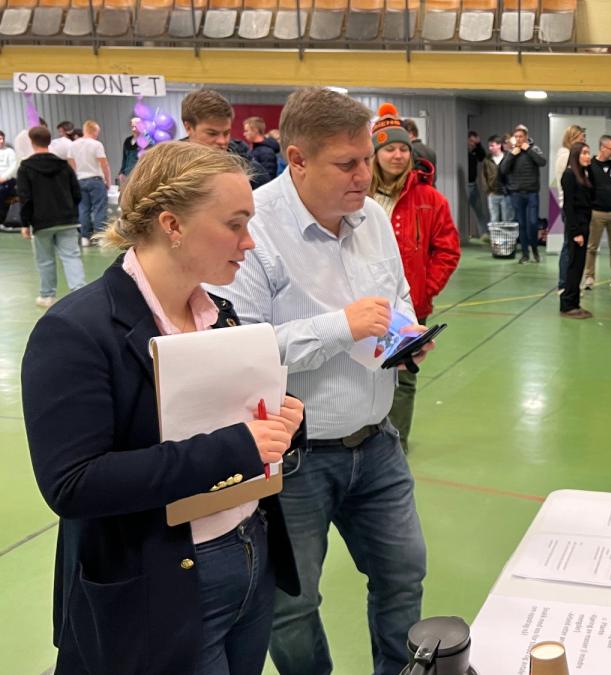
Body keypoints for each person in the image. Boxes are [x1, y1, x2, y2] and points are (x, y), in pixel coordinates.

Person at [21, 140, 304, 675]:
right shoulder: (76, 332)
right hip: (159, 583)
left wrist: (285, 419)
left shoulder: (219, 311)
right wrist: (235, 448)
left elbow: (230, 417)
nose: (249, 243)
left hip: (248, 555)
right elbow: (74, 484)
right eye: (235, 224)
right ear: (172, 224)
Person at [212, 87, 431, 675]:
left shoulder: (374, 218)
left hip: (377, 441)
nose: (365, 175)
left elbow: (397, 297)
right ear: (297, 159)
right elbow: (243, 352)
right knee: (292, 604)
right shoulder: (252, 230)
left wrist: (404, 340)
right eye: (348, 164)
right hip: (295, 460)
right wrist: (341, 327)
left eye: (367, 158)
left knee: (404, 574)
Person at [369, 104, 461, 451]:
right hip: (361, 302)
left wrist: (425, 288)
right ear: (375, 154)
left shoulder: (430, 199)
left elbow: (447, 250)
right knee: (361, 372)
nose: (397, 155)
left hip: (409, 307)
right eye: (389, 148)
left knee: (404, 375)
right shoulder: (357, 196)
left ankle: (395, 444)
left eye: (403, 148)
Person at [17, 126, 85, 307]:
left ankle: (47, 296)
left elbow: (25, 198)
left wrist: (25, 223)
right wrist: (71, 210)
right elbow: (76, 193)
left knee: (45, 260)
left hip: (41, 222)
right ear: (50, 141)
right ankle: (80, 294)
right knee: (72, 256)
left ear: (32, 142)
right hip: (67, 219)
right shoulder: (64, 165)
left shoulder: (25, 167)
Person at [499, 124, 547, 263]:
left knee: (532, 223)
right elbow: (503, 170)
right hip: (516, 193)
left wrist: (529, 150)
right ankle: (525, 254)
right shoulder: (511, 152)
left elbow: (542, 162)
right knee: (522, 224)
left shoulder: (534, 148)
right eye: (516, 137)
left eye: (521, 136)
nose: (519, 139)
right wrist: (511, 156)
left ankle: (535, 250)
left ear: (526, 137)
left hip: (532, 193)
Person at [584, 134, 611, 291]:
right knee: (592, 247)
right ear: (602, 148)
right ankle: (589, 277)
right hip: (596, 213)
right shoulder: (591, 165)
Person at [559, 142, 594, 319]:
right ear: (576, 155)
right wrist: (575, 232)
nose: (588, 156)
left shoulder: (584, 173)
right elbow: (569, 207)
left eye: (589, 153)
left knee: (579, 266)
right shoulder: (569, 175)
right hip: (576, 225)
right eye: (585, 153)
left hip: (585, 223)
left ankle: (575, 302)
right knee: (573, 266)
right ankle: (567, 304)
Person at [67, 120, 111, 247]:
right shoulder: (96, 144)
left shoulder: (73, 145)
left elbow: (71, 163)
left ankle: (85, 237)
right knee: (100, 208)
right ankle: (100, 237)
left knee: (83, 209)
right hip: (96, 180)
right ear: (95, 131)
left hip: (80, 180)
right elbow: (104, 164)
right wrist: (107, 181)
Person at [554, 124, 586, 291]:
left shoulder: (573, 156)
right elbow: (564, 183)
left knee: (572, 246)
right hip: (568, 205)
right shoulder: (565, 156)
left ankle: (571, 283)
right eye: (580, 138)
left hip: (574, 205)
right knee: (568, 245)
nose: (583, 142)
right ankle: (563, 283)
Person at [181, 89, 250, 161]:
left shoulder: (240, 152)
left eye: (226, 133)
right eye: (212, 134)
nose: (222, 141)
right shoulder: (172, 163)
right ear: (188, 128)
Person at [482, 134, 514, 224]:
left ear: (499, 145)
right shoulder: (487, 160)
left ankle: (507, 238)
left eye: (492, 145)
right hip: (492, 193)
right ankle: (495, 238)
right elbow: (484, 175)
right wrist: (487, 190)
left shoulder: (508, 157)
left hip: (506, 194)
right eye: (489, 146)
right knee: (494, 219)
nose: (490, 148)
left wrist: (510, 188)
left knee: (507, 220)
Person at [243, 116, 280, 189]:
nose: (244, 134)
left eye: (247, 131)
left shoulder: (266, 152)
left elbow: (268, 179)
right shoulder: (254, 149)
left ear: (255, 130)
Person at [466, 129, 488, 239]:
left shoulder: (475, 152)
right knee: (463, 212)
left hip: (473, 185)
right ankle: (462, 234)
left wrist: (479, 145)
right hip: (465, 186)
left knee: (479, 210)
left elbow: (483, 156)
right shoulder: (462, 152)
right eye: (471, 141)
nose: (472, 144)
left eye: (475, 142)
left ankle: (483, 234)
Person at [119, 117, 141, 186]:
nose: (133, 129)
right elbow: (124, 158)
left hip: (140, 174)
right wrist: (121, 172)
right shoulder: (127, 140)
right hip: (128, 174)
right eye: (132, 126)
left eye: (136, 126)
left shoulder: (145, 140)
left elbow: (152, 145)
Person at [0, 129, 17, 206]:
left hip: (7, 180)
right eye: (0, 139)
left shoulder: (9, 151)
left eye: (2, 139)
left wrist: (3, 178)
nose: (1, 141)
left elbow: (13, 167)